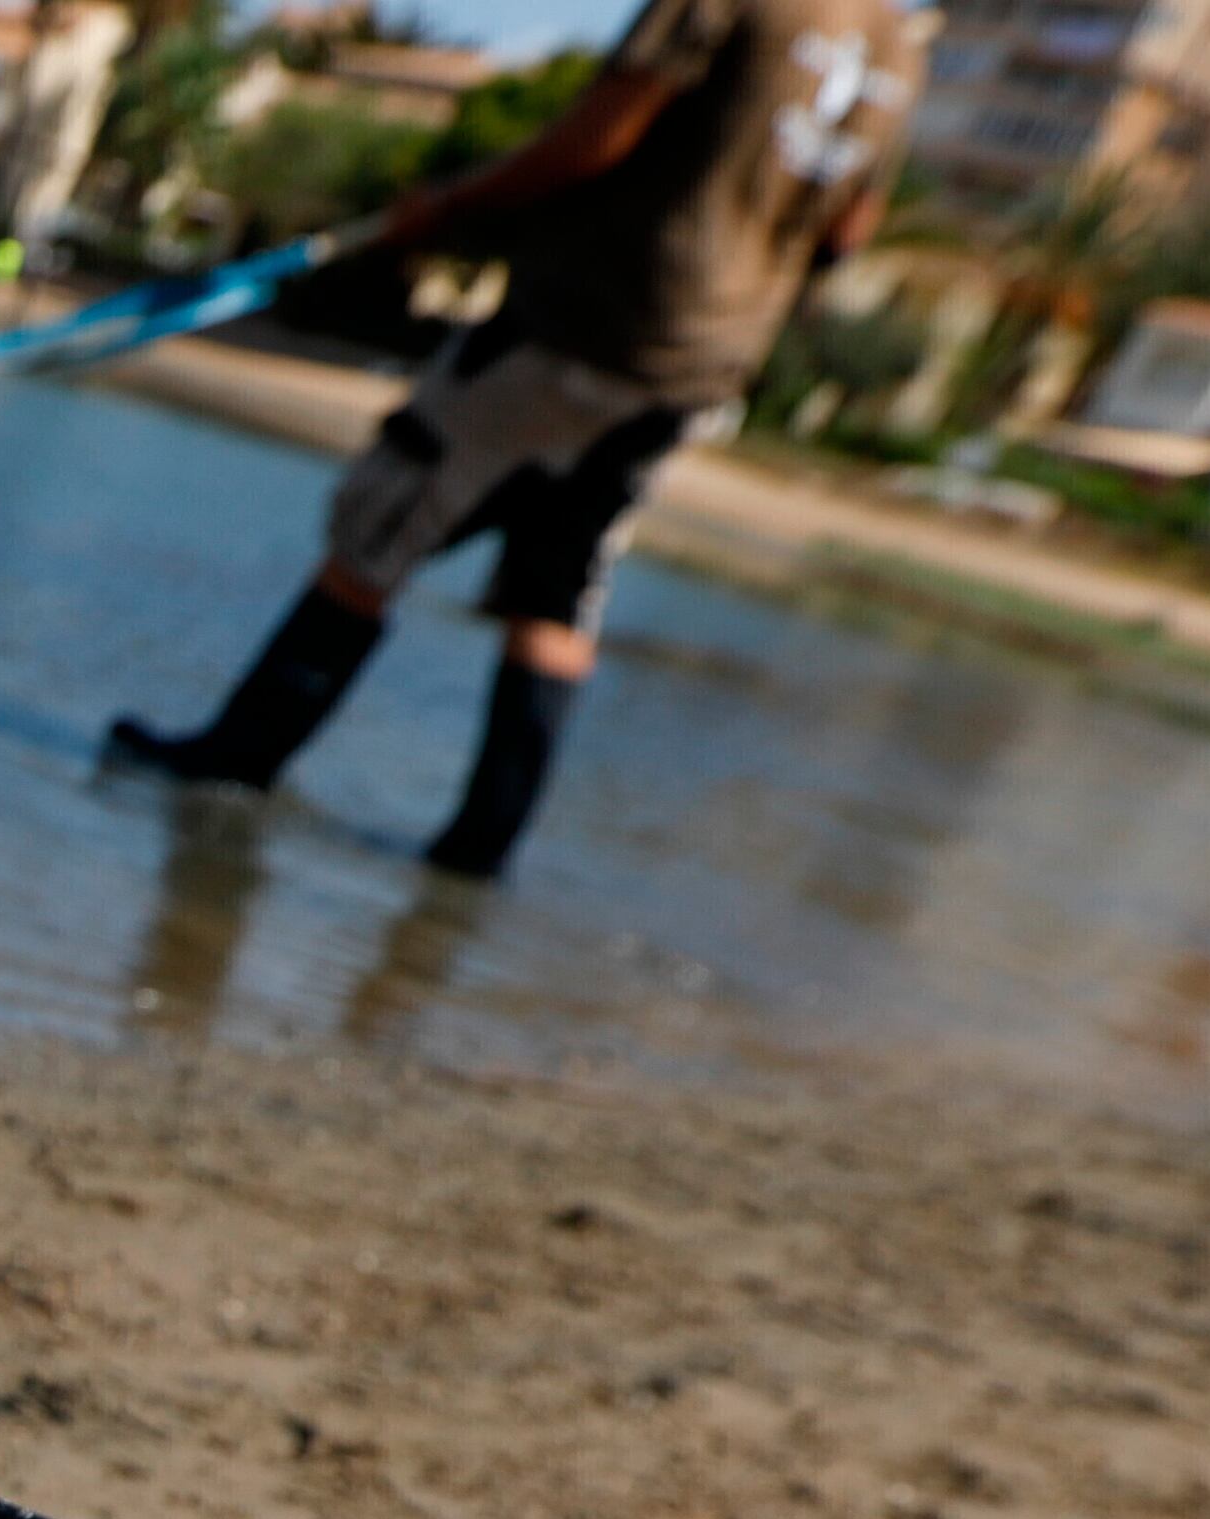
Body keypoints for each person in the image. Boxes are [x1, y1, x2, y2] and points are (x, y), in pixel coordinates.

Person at [105, 0, 925, 877]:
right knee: (558, 589)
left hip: (585, 323)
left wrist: (448, 206)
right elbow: (847, 230)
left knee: (381, 525)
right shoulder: (896, 47)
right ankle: (476, 857)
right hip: (702, 367)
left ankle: (232, 770)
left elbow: (594, 141)